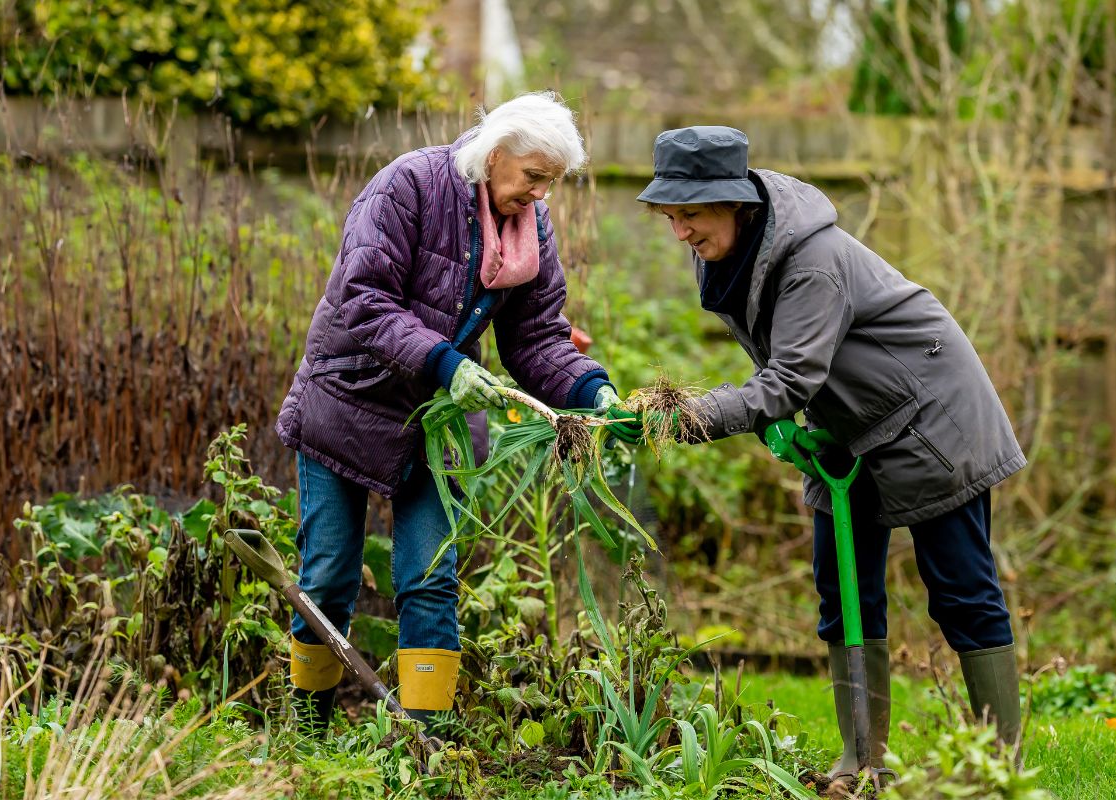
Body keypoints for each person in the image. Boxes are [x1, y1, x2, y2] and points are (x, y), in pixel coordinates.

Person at [607, 126, 1026, 776]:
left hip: (931, 415)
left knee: (959, 590)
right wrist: (775, 423)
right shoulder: (725, 254)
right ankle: (861, 761)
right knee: (843, 588)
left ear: (733, 202)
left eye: (689, 214)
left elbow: (789, 377)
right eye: (671, 216)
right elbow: (778, 363)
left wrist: (688, 415)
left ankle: (1001, 767)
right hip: (848, 426)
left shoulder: (811, 260)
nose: (679, 232)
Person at [275, 92, 620, 732]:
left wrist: (591, 389)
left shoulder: (528, 227)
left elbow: (536, 338)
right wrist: (446, 362)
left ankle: (421, 745)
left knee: (429, 579)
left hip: (437, 421)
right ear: (494, 155)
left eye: (551, 183)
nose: (541, 196)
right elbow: (363, 298)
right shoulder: (408, 186)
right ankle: (310, 731)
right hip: (348, 398)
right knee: (327, 576)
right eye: (533, 178)